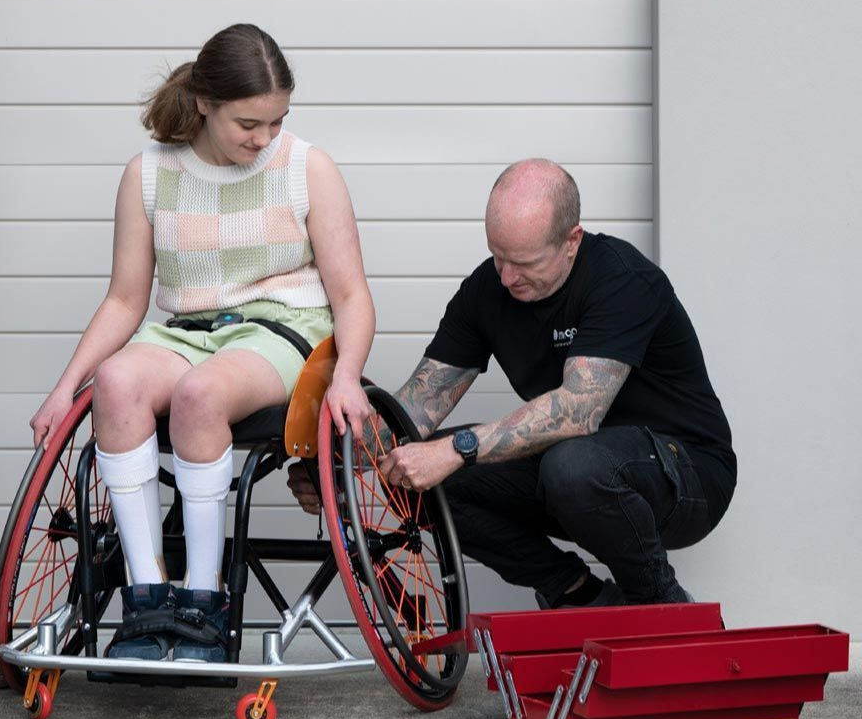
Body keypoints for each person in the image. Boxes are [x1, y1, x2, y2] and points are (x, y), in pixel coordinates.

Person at [30, 23, 374, 662]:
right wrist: (62, 389)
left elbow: (352, 295)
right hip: (188, 332)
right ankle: (146, 596)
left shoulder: (306, 168)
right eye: (248, 123)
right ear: (204, 104)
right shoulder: (150, 174)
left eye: (276, 121)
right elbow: (125, 300)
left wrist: (349, 374)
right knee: (116, 382)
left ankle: (203, 600)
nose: (263, 138)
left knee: (198, 395)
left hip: (281, 330)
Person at [288, 158, 736, 609]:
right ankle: (576, 593)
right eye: (497, 256)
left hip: (686, 475)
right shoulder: (487, 290)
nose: (507, 277)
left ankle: (663, 606)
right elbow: (417, 408)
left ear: (571, 241)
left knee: (567, 464)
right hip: (574, 474)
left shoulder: (620, 278)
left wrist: (456, 450)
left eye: (523, 263)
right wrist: (335, 469)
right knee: (419, 474)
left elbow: (578, 411)